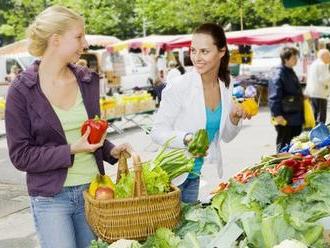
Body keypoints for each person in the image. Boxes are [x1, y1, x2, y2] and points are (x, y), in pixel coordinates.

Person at [5, 6, 131, 248]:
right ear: (56, 40)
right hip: (51, 198)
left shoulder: (87, 80)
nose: (85, 44)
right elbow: (21, 156)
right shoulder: (21, 91)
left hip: (93, 192)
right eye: (79, 37)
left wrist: (111, 150)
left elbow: (89, 136)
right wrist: (71, 149)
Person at [151, 23, 251, 203]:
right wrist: (187, 139)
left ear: (221, 51)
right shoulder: (180, 86)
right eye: (193, 51)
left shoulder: (225, 86)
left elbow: (225, 136)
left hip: (194, 175)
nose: (197, 58)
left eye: (204, 51)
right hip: (169, 178)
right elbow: (157, 132)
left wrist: (234, 119)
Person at [268, 46, 304, 153]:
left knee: (294, 145)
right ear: (286, 59)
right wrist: (276, 114)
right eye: (294, 58)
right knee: (284, 145)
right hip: (284, 117)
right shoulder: (278, 73)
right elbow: (274, 95)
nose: (296, 60)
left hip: (295, 115)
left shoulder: (290, 70)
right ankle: (280, 167)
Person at [304, 49, 330, 124]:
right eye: (329, 57)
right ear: (325, 56)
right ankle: (320, 133)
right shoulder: (322, 64)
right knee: (321, 115)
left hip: (313, 93)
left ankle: (314, 131)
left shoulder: (314, 64)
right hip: (320, 93)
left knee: (315, 114)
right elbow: (324, 79)